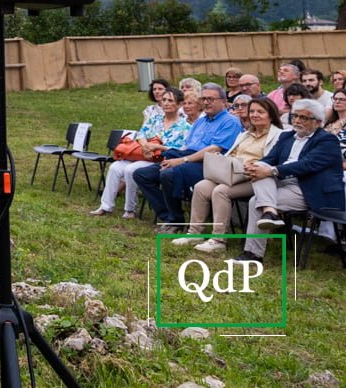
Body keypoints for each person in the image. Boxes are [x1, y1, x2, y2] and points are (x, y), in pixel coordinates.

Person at [239, 98, 345, 262]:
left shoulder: (327, 140)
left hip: (309, 189)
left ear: (317, 122)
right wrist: (255, 166)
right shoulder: (287, 136)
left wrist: (272, 170)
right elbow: (270, 159)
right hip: (283, 182)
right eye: (295, 116)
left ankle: (253, 253)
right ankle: (270, 213)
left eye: (303, 117)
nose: (297, 120)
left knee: (255, 201)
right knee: (260, 170)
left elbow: (307, 165)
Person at [172, 97, 282, 254]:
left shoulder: (278, 135)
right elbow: (232, 153)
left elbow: (274, 161)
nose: (254, 115)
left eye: (260, 112)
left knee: (221, 191)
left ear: (271, 115)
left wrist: (252, 166)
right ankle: (194, 233)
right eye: (252, 111)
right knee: (201, 186)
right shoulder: (245, 134)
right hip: (233, 173)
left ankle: (218, 239)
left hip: (256, 179)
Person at [134, 82, 243, 230]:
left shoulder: (230, 121)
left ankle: (176, 220)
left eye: (211, 99)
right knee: (142, 175)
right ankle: (167, 215)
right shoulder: (201, 121)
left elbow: (214, 149)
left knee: (168, 174)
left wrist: (182, 160)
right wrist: (175, 157)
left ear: (224, 101)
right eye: (204, 99)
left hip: (209, 164)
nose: (206, 102)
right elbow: (187, 146)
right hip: (187, 156)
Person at [90, 86, 190, 219]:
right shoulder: (155, 119)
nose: (166, 103)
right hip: (143, 154)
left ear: (179, 104)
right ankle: (105, 206)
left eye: (170, 101)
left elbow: (180, 150)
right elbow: (141, 134)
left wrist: (156, 147)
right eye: (164, 100)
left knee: (130, 170)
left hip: (160, 159)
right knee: (114, 167)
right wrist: (146, 147)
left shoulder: (185, 127)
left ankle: (130, 209)